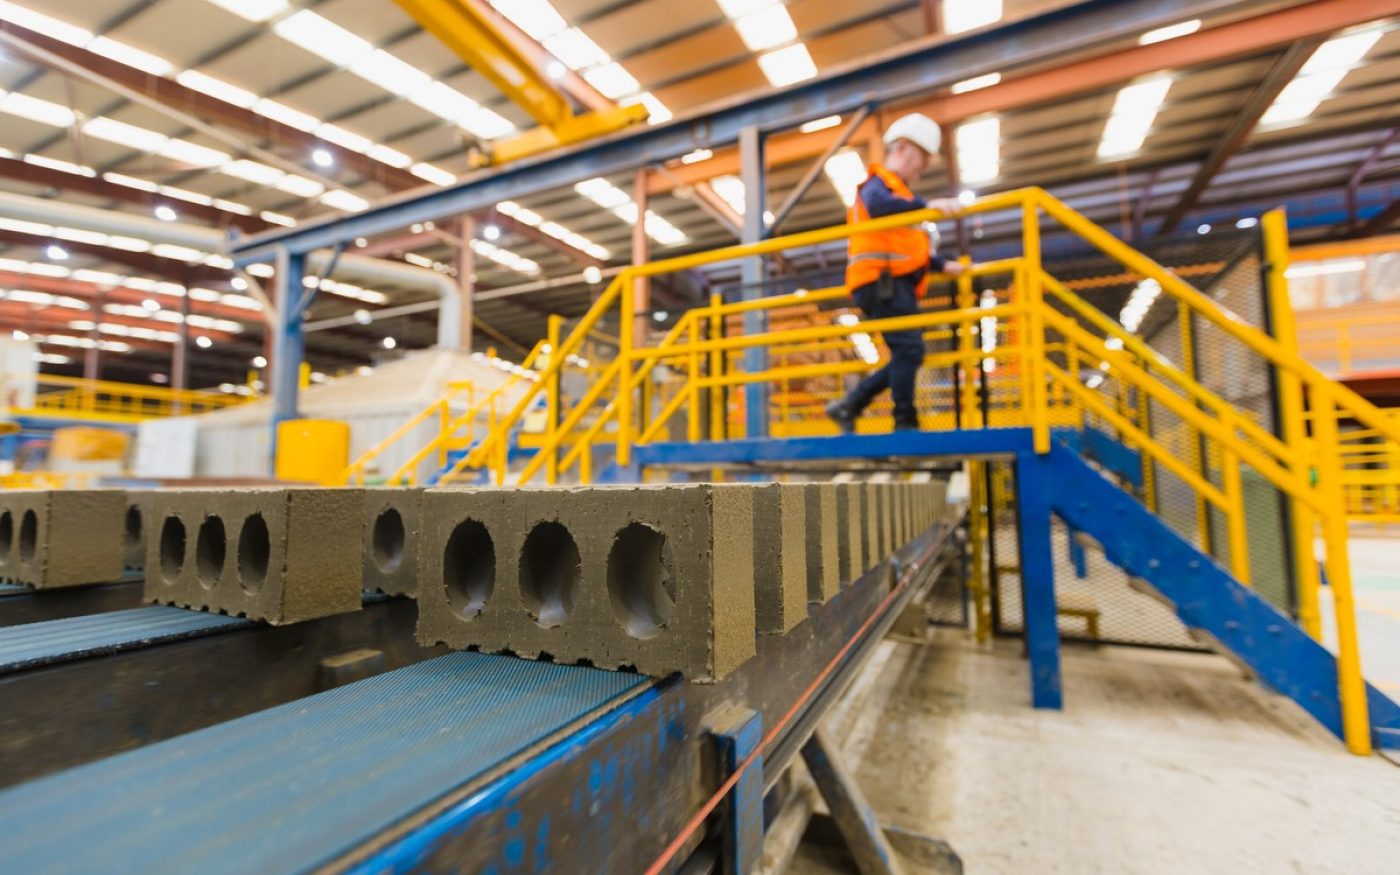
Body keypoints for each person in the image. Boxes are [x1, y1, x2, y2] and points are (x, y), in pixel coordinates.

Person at [825, 113, 967, 433]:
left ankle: (852, 405)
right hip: (881, 283)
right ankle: (903, 421)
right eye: (922, 158)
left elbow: (908, 247)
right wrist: (929, 206)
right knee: (910, 350)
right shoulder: (878, 185)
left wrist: (943, 264)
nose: (923, 167)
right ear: (902, 148)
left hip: (890, 282)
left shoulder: (901, 196)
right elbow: (879, 208)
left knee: (908, 352)